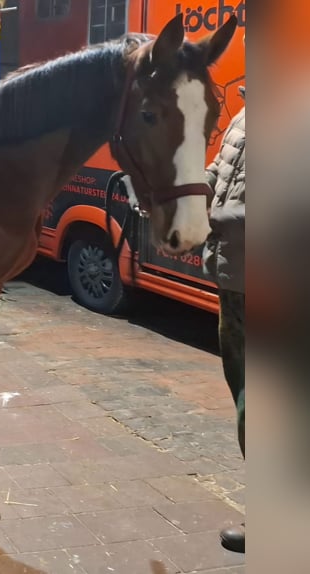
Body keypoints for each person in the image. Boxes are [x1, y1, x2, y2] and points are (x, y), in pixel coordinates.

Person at [202, 86, 245, 554]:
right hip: (235, 281)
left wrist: (211, 215)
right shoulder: (247, 116)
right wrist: (190, 187)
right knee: (246, 397)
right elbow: (219, 169)